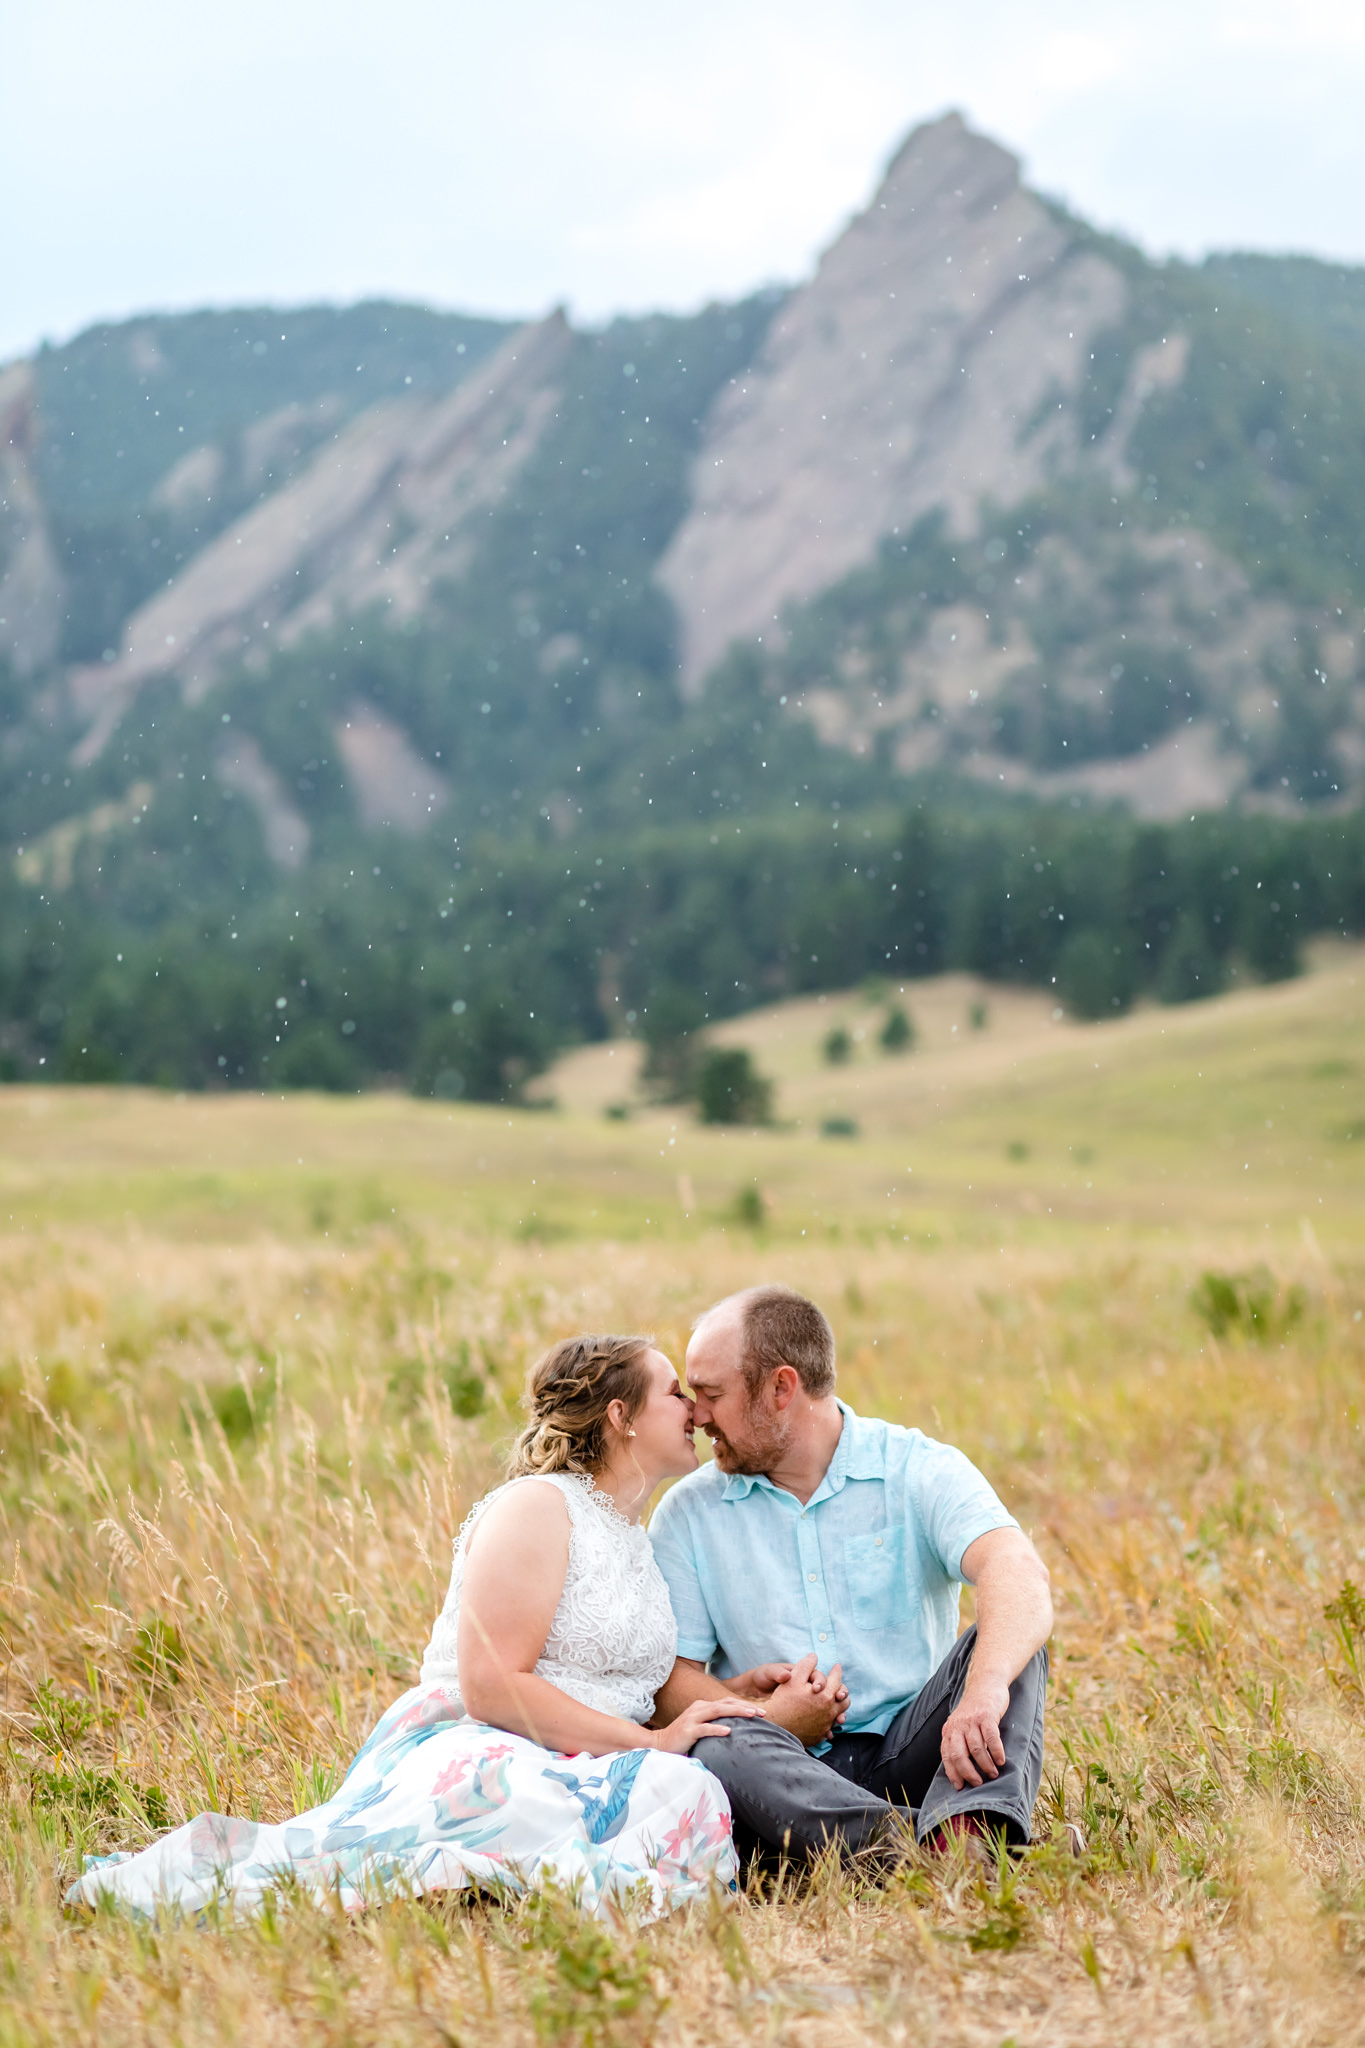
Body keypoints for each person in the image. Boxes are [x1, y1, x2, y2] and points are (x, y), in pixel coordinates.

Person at [69, 1333, 822, 1921]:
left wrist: (731, 1693)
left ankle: (529, 1872)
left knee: (678, 1788)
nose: (694, 1410)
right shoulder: (537, 1506)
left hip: (580, 1751)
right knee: (658, 1781)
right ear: (620, 1417)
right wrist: (652, 1742)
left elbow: (628, 1675)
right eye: (673, 1394)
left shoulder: (633, 1534)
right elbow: (491, 1685)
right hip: (484, 1739)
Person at [647, 1286, 1055, 1868]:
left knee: (1013, 1644)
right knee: (718, 1739)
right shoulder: (687, 1512)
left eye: (712, 1394)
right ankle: (951, 1853)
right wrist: (773, 1718)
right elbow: (670, 1683)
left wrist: (983, 1692)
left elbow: (1016, 1570)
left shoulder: (914, 1467)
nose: (698, 1414)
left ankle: (954, 1829)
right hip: (782, 1770)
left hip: (919, 1753)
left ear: (781, 1388)